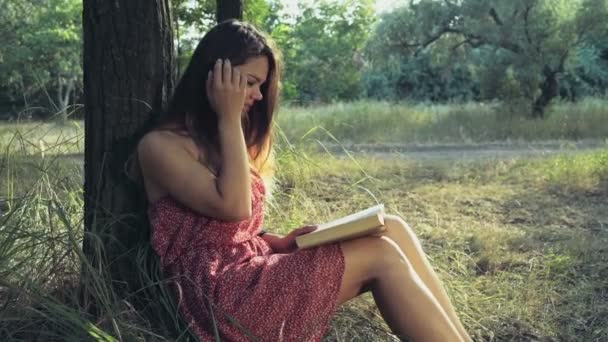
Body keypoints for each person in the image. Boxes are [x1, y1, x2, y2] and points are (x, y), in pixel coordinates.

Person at [132, 19, 472, 341]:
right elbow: (233, 207)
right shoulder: (161, 146)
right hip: (219, 295)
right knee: (379, 254)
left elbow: (232, 228)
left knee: (391, 227)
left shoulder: (226, 139)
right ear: (215, 75)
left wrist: (277, 242)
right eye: (249, 83)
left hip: (251, 270)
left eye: (261, 85)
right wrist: (229, 118)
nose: (258, 95)